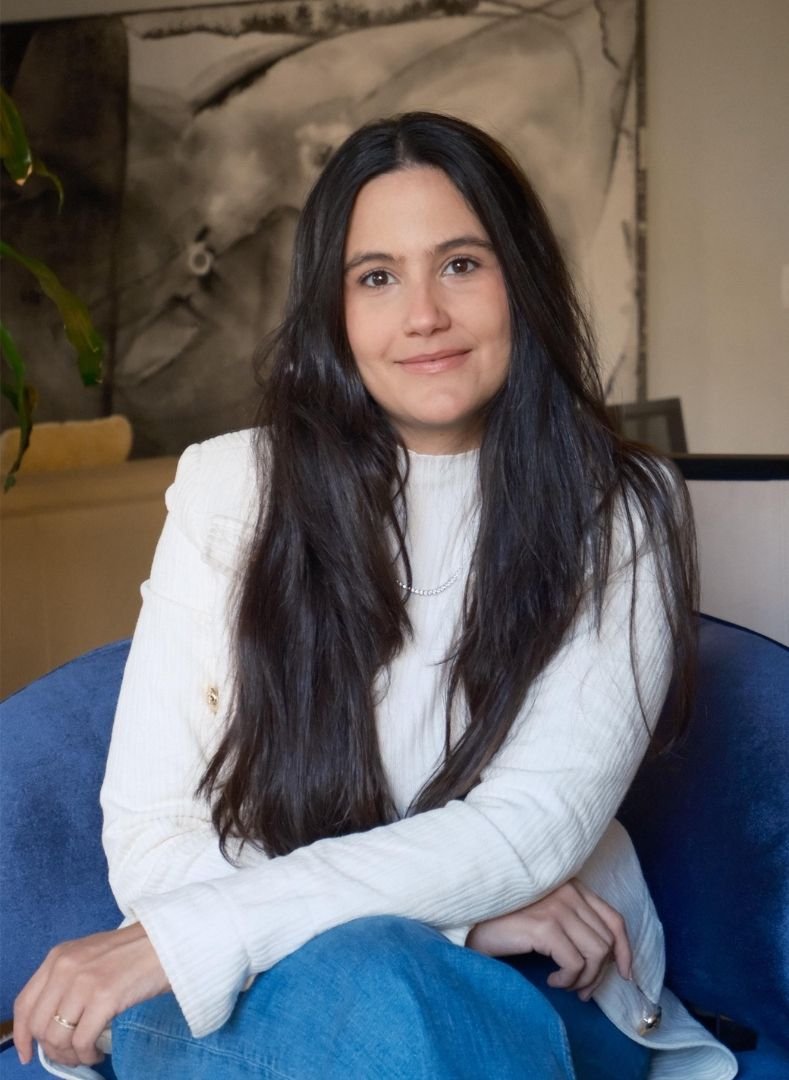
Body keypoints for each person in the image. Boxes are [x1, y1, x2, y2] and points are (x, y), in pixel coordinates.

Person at [13, 113, 736, 1080]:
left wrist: (199, 940)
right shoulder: (231, 488)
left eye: (461, 265)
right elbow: (153, 829)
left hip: (546, 975)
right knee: (360, 978)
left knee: (373, 987)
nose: (422, 314)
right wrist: (463, 914)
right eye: (377, 277)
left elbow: (533, 826)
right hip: (304, 976)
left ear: (521, 278)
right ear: (333, 307)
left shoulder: (620, 505)